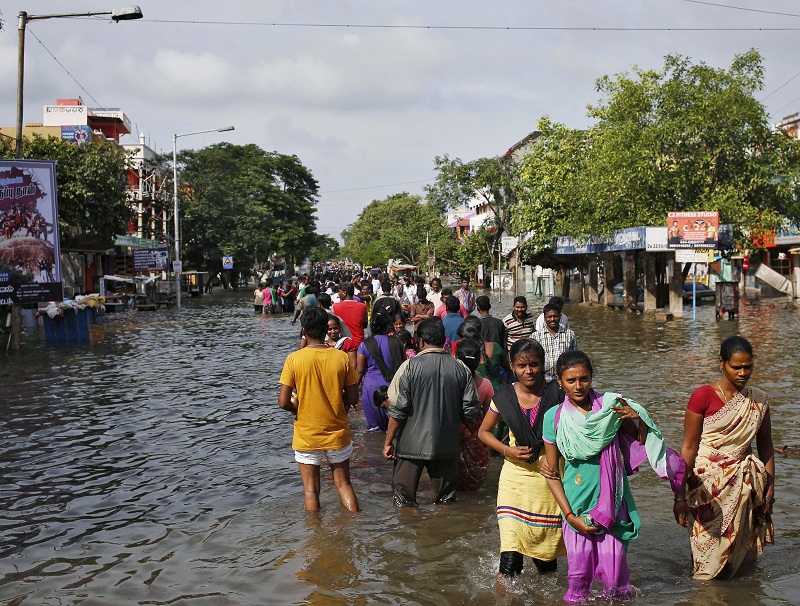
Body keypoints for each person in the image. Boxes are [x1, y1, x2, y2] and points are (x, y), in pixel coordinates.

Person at [541, 350, 683, 603]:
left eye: (584, 379)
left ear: (592, 377)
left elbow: (641, 440)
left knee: (615, 577)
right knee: (578, 578)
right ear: (559, 381)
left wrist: (637, 418)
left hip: (613, 501)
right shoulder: (554, 417)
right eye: (570, 380)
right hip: (575, 503)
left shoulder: (611, 407)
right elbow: (552, 473)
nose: (578, 386)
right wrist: (571, 517)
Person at [673, 336, 774, 580]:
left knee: (739, 559)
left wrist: (769, 494)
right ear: (722, 363)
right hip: (705, 487)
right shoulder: (703, 396)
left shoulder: (759, 400)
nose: (742, 373)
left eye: (747, 366)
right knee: (705, 555)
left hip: (743, 486)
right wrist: (679, 495)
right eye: (736, 367)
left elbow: (766, 448)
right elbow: (688, 446)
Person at [478, 339, 566, 589]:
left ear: (543, 365)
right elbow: (484, 432)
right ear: (512, 367)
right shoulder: (504, 396)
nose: (529, 371)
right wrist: (508, 449)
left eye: (534, 365)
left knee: (546, 561)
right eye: (522, 365)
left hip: (548, 480)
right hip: (514, 482)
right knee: (509, 560)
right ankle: (503, 598)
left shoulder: (558, 394)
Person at [384, 317, 479, 506]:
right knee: (446, 501)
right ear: (444, 340)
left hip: (410, 447)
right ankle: (443, 534)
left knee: (403, 501)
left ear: (420, 342)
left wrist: (388, 442)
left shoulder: (408, 367)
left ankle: (410, 533)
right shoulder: (461, 368)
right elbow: (470, 410)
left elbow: (397, 410)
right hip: (446, 445)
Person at [277, 307, 360, 513]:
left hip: (306, 432)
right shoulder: (341, 358)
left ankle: (315, 537)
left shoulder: (294, 359)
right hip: (337, 429)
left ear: (303, 330)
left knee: (311, 491)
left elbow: (283, 401)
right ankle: (356, 527)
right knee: (344, 484)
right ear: (326, 330)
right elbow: (352, 398)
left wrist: (297, 408)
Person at [454, 337, 493, 491]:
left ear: (457, 358)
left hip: (453, 434)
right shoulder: (486, 385)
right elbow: (488, 418)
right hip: (476, 436)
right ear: (479, 360)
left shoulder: (450, 383)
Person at [357, 311, 406, 432]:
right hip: (393, 388)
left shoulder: (364, 345)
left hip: (371, 391)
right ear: (387, 326)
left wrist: (353, 392)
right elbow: (404, 365)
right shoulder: (397, 342)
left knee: (374, 430)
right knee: (396, 428)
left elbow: (360, 370)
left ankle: (374, 450)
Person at [532, 303, 578, 384]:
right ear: (545, 318)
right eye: (549, 317)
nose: (552, 319)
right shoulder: (536, 336)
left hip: (564, 377)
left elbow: (575, 358)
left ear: (560, 317)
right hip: (544, 378)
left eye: (555, 316)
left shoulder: (569, 334)